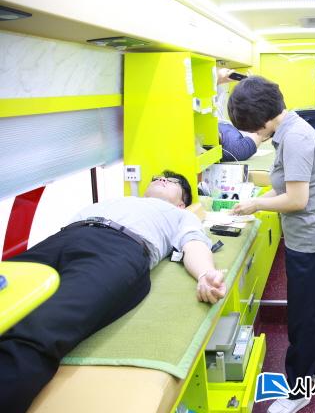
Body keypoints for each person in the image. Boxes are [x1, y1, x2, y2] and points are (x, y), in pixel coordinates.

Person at [0, 171, 227, 413]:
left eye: (172, 182)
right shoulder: (113, 200)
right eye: (158, 177)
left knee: (42, 326)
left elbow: (194, 243)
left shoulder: (180, 214)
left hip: (119, 248)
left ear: (182, 202)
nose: (162, 180)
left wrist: (205, 274)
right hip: (61, 238)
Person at [228, 76, 315, 413]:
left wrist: (256, 204)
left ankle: (298, 390)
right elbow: (286, 184)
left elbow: (296, 199)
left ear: (262, 120)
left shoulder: (295, 139)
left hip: (311, 241)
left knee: (302, 318)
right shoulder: (289, 130)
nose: (252, 133)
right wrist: (255, 191)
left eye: (251, 127)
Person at [216, 68, 269, 161]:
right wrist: (255, 87)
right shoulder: (238, 150)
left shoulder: (236, 149)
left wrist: (217, 80)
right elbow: (261, 132)